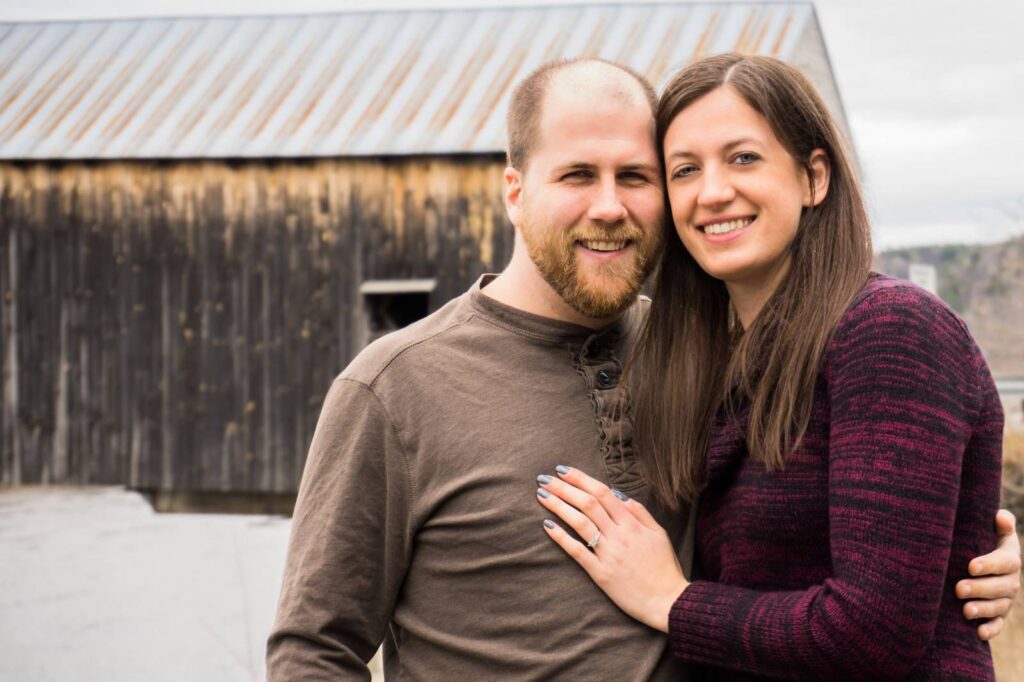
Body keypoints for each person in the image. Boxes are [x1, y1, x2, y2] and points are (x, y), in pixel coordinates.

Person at [268, 58, 1020, 680]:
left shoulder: (707, 353)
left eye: (636, 176)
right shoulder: (393, 388)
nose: (609, 206)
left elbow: (856, 570)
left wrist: (967, 559)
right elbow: (314, 649)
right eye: (576, 176)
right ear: (514, 191)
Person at [536, 54, 1019, 680]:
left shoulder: (890, 331)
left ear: (814, 177)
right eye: (685, 170)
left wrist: (670, 599)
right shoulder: (711, 359)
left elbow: (876, 633)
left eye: (743, 158)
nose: (712, 192)